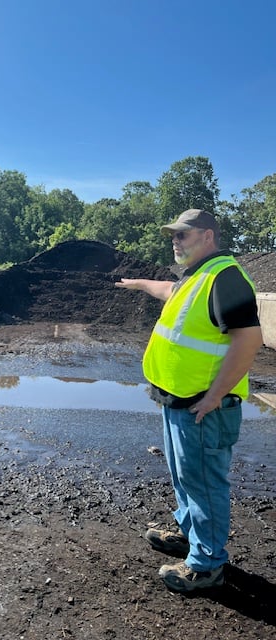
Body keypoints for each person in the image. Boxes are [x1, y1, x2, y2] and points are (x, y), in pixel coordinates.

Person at [115, 209, 262, 593]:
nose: (175, 241)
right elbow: (169, 291)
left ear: (208, 236)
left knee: (203, 484)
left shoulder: (225, 278)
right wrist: (141, 284)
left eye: (183, 235)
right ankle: (190, 534)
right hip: (178, 401)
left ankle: (207, 565)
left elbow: (248, 341)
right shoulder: (196, 276)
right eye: (173, 235)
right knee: (185, 477)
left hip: (203, 406)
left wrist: (214, 397)